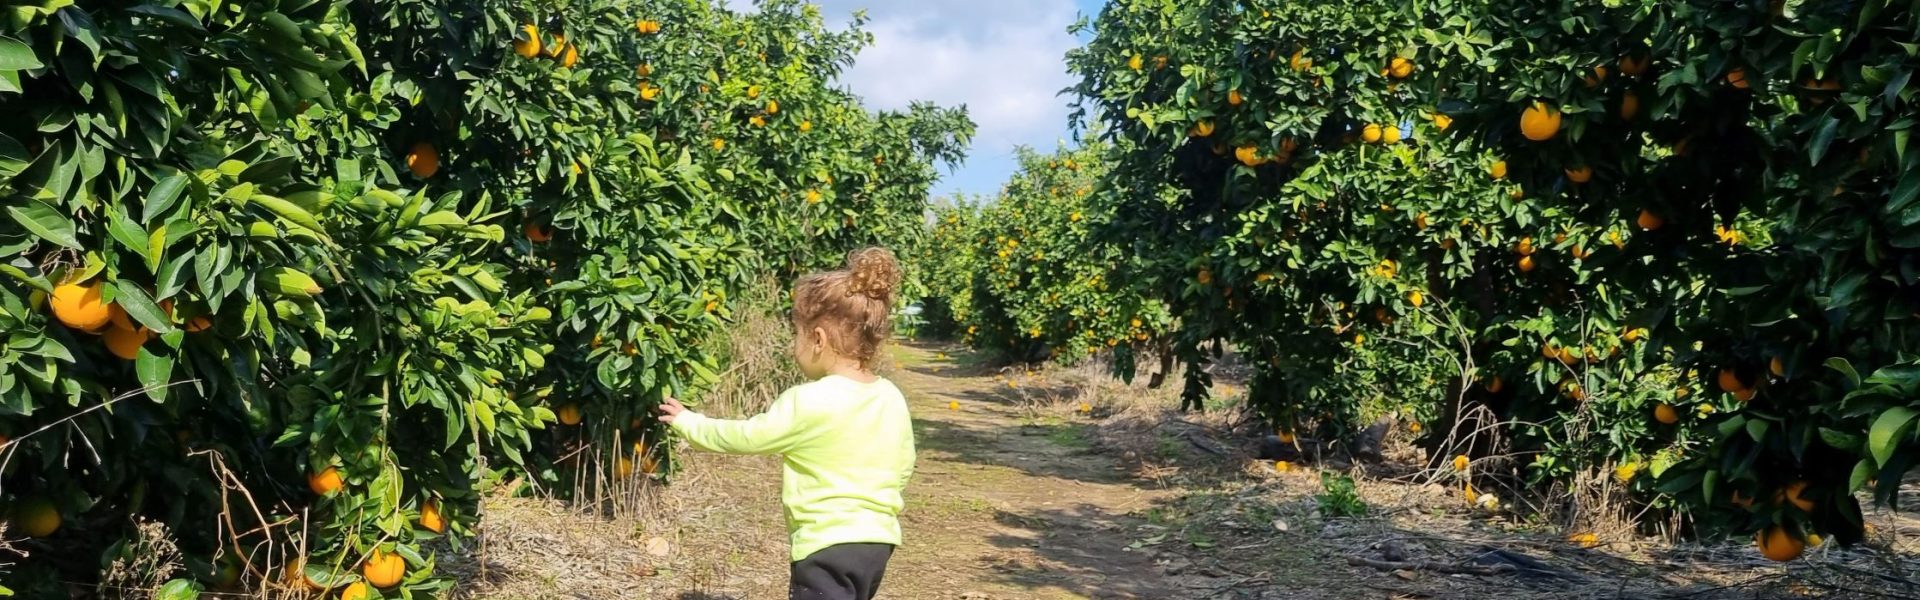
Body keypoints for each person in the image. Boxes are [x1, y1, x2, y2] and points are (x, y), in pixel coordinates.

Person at [658, 247, 916, 600]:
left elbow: (747, 437)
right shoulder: (890, 396)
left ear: (819, 340)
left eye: (798, 334)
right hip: (879, 541)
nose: (795, 345)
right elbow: (903, 464)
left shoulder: (810, 399)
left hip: (827, 542)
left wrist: (690, 422)